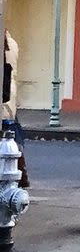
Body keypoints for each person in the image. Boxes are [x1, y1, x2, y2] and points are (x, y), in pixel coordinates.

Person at [3, 33, 27, 188]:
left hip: (4, 99)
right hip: (8, 97)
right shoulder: (12, 43)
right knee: (13, 133)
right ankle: (20, 172)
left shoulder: (6, 45)